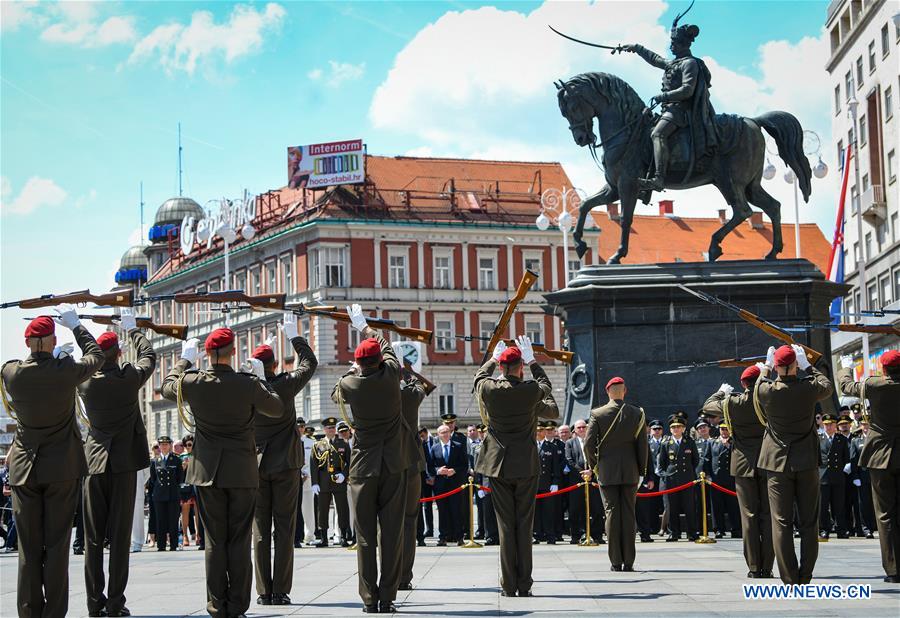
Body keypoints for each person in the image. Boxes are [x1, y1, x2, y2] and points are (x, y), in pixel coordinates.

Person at [161, 328, 283, 617]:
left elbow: (167, 387)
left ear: (206, 353)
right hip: (241, 471)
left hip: (207, 472)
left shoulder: (193, 382)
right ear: (233, 351)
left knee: (214, 541)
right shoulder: (247, 384)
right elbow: (277, 408)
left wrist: (184, 360)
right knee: (239, 540)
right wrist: (261, 379)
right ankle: (237, 605)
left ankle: (217, 605)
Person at [1, 307, 104, 617]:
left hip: (25, 469)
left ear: (27, 343)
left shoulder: (12, 372)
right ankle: (54, 612)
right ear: (53, 341)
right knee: (57, 545)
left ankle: (29, 612)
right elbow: (96, 356)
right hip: (61, 468)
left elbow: (15, 366)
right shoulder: (66, 371)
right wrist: (77, 326)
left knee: (28, 550)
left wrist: (54, 357)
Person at [331, 305, 417, 614]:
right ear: (380, 361)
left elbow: (336, 395)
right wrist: (365, 328)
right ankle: (388, 597)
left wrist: (353, 371)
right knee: (391, 533)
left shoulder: (349, 384)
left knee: (365, 536)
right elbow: (387, 347)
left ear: (358, 363)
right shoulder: (392, 374)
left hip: (363, 468)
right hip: (393, 464)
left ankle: (369, 598)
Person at [77, 317, 155, 618]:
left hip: (94, 463)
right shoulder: (129, 378)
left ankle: (94, 604)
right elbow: (149, 355)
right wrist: (133, 330)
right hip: (123, 464)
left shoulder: (85, 382)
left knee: (93, 540)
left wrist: (77, 329)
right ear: (120, 354)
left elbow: (88, 360)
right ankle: (115, 603)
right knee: (120, 539)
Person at [474, 338, 559, 597]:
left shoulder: (490, 389)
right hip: (525, 465)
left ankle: (509, 585)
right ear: (520, 367)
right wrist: (532, 359)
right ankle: (524, 584)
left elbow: (479, 379)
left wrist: (492, 357)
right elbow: (546, 385)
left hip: (499, 465)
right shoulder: (529, 390)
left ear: (501, 368)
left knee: (505, 526)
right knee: (524, 525)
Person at [250, 313, 318, 606]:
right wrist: (294, 336)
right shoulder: (285, 384)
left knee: (260, 531)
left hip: (256, 465)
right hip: (286, 464)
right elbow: (309, 363)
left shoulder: (247, 389)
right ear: (275, 365)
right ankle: (280, 590)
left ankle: (264, 591)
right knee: (285, 528)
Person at [756, 345, 833, 585]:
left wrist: (766, 366)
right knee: (809, 522)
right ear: (795, 365)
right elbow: (827, 386)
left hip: (777, 463)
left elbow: (758, 385)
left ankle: (789, 578)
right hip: (806, 461)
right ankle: (806, 574)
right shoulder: (809, 388)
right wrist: (808, 365)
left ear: (777, 367)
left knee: (781, 522)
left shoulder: (767, 390)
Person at [620, 19, 718, 191]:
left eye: (674, 43)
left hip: (682, 111)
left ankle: (658, 178)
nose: (671, 47)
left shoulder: (690, 63)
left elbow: (687, 90)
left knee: (657, 134)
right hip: (670, 110)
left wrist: (663, 96)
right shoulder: (673, 63)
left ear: (683, 44)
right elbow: (655, 59)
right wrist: (636, 48)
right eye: (671, 43)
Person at [702, 366, 774, 578]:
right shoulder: (768, 399)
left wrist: (721, 392)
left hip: (743, 464)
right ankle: (767, 567)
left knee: (749, 516)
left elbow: (708, 405)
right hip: (767, 461)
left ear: (743, 384)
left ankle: (754, 567)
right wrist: (767, 375)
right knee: (768, 516)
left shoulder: (733, 402)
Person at [837, 350, 900, 583]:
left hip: (881, 457)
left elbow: (846, 386)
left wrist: (846, 367)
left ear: (883, 369)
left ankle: (893, 569)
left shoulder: (874, 385)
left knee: (885, 515)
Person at [583, 376, 648, 572]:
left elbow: (588, 445)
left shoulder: (597, 414)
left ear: (607, 391)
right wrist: (641, 470)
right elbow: (642, 446)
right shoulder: (637, 413)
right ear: (624, 391)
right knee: (628, 514)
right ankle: (629, 561)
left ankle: (615, 561)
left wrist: (596, 466)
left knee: (611, 513)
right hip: (630, 471)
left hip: (607, 471)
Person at [398, 363, 435, 590]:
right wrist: (408, 371)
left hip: (385, 464)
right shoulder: (410, 395)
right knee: (409, 520)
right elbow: (424, 386)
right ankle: (404, 577)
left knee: (387, 523)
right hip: (411, 464)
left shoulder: (372, 392)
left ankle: (390, 576)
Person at [310, 417, 351, 548]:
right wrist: (314, 483)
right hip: (323, 481)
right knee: (322, 510)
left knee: (342, 509)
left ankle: (343, 536)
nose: (331, 430)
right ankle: (323, 538)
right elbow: (314, 465)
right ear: (324, 429)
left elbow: (349, 462)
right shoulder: (318, 445)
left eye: (333, 428)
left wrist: (344, 475)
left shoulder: (343, 444)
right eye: (329, 428)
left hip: (339, 481)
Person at [657, 415, 699, 541]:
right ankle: (674, 533)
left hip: (686, 480)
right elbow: (661, 463)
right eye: (673, 427)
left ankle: (691, 533)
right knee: (672, 508)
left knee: (689, 507)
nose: (676, 429)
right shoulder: (666, 443)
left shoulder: (689, 442)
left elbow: (695, 460)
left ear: (683, 428)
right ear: (670, 429)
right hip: (671, 480)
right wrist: (666, 475)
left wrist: (689, 474)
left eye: (679, 427)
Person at [428, 423, 468, 546]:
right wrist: (438, 471)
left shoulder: (458, 446)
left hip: (455, 484)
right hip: (440, 486)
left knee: (457, 510)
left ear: (450, 433)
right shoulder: (434, 448)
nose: (445, 434)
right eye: (442, 432)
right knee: (442, 511)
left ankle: (459, 537)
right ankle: (443, 537)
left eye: (447, 432)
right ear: (438, 435)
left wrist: (454, 470)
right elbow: (430, 467)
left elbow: (464, 465)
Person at [566, 418, 604, 545]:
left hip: (593, 480)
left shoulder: (594, 441)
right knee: (576, 510)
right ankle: (577, 535)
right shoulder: (570, 443)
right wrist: (582, 472)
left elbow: (599, 458)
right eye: (579, 428)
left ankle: (597, 535)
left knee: (597, 509)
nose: (582, 429)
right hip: (577, 481)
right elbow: (569, 460)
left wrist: (591, 472)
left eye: (584, 427)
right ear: (575, 430)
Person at [818, 413, 851, 539]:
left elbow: (846, 458)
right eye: (826, 424)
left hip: (837, 476)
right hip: (823, 476)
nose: (828, 427)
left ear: (835, 425)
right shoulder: (819, 438)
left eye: (831, 424)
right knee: (823, 505)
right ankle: (824, 529)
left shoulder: (841, 439)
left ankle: (841, 529)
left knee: (839, 505)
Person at [149, 436, 183, 551]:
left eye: (166, 444)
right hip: (159, 495)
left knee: (173, 520)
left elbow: (179, 478)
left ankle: (173, 544)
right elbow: (153, 479)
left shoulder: (176, 460)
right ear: (159, 446)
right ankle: (161, 545)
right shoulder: (155, 461)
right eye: (162, 444)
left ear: (170, 445)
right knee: (160, 520)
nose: (164, 446)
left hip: (173, 494)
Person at [708, 424, 741, 539]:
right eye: (722, 429)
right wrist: (707, 474)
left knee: (733, 506)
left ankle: (736, 529)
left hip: (731, 478)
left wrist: (729, 446)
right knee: (717, 506)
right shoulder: (713, 442)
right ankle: (718, 529)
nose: (724, 431)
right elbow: (707, 458)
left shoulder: (735, 442)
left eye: (726, 429)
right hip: (716, 479)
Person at [534, 421, 562, 544]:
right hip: (533, 485)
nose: (538, 433)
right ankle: (536, 534)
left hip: (547, 484)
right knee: (534, 512)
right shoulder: (529, 446)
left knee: (548, 512)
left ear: (545, 431)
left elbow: (556, 467)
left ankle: (550, 535)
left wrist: (555, 482)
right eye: (536, 430)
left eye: (540, 430)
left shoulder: (552, 447)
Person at [636, 420, 665, 542]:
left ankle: (645, 533)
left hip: (642, 479)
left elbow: (648, 462)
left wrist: (650, 479)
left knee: (643, 509)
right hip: (627, 478)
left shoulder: (644, 442)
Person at [849, 417, 875, 539]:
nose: (866, 427)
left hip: (875, 476)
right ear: (860, 426)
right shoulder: (856, 441)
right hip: (862, 476)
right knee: (864, 504)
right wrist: (855, 476)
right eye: (863, 424)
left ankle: (875, 526)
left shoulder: (875, 438)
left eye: (868, 424)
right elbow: (853, 460)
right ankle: (866, 528)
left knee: (877, 503)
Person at [294, 418, 316, 547]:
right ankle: (296, 535)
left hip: (308, 479)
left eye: (302, 426)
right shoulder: (291, 441)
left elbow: (314, 461)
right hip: (294, 479)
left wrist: (306, 473)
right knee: (295, 509)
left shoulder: (310, 442)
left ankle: (309, 535)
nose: (300, 428)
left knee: (308, 509)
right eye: (298, 426)